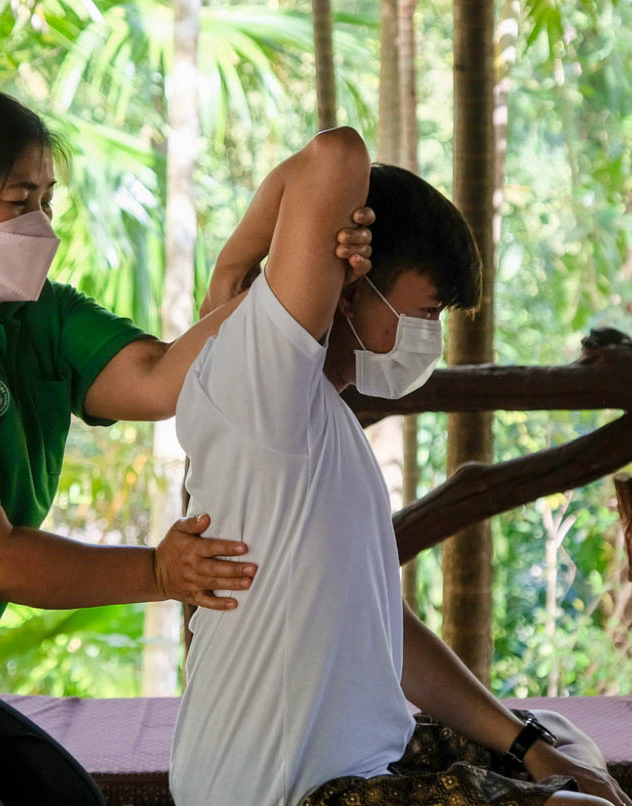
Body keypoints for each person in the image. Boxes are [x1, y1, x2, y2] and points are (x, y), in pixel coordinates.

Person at [0, 84, 374, 806]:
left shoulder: (33, 312)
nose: (41, 225)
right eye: (18, 203)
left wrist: (283, 271)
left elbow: (160, 378)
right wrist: (157, 572)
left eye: (47, 201)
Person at [169, 127, 630, 806]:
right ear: (350, 287)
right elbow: (334, 157)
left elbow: (388, 627)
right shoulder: (270, 399)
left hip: (365, 766)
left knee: (560, 738)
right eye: (423, 313)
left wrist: (527, 744)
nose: (428, 337)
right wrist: (236, 269)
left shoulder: (322, 421)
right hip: (290, 793)